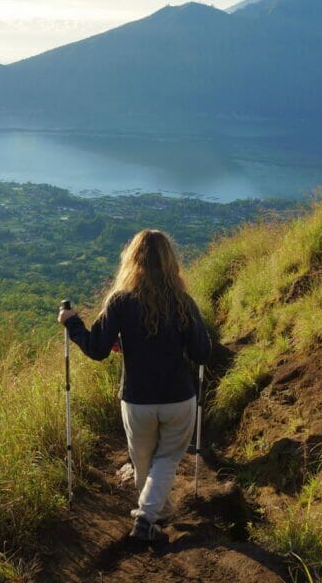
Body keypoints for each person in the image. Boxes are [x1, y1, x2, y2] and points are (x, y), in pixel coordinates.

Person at [58, 229, 211, 542]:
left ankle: (148, 516)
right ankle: (152, 515)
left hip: (138, 400)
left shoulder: (120, 302)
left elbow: (97, 348)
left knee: (143, 462)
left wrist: (72, 323)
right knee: (166, 459)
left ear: (133, 259)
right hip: (178, 399)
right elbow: (201, 353)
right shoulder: (182, 301)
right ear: (171, 261)